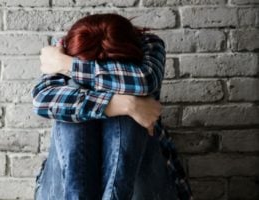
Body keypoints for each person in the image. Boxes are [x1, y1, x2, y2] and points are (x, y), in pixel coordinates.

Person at [32, 13, 192, 200]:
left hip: (143, 186)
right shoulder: (63, 47)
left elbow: (144, 80)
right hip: (65, 189)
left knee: (130, 99)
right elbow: (42, 99)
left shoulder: (148, 44)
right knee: (71, 106)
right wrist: (125, 104)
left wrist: (68, 66)